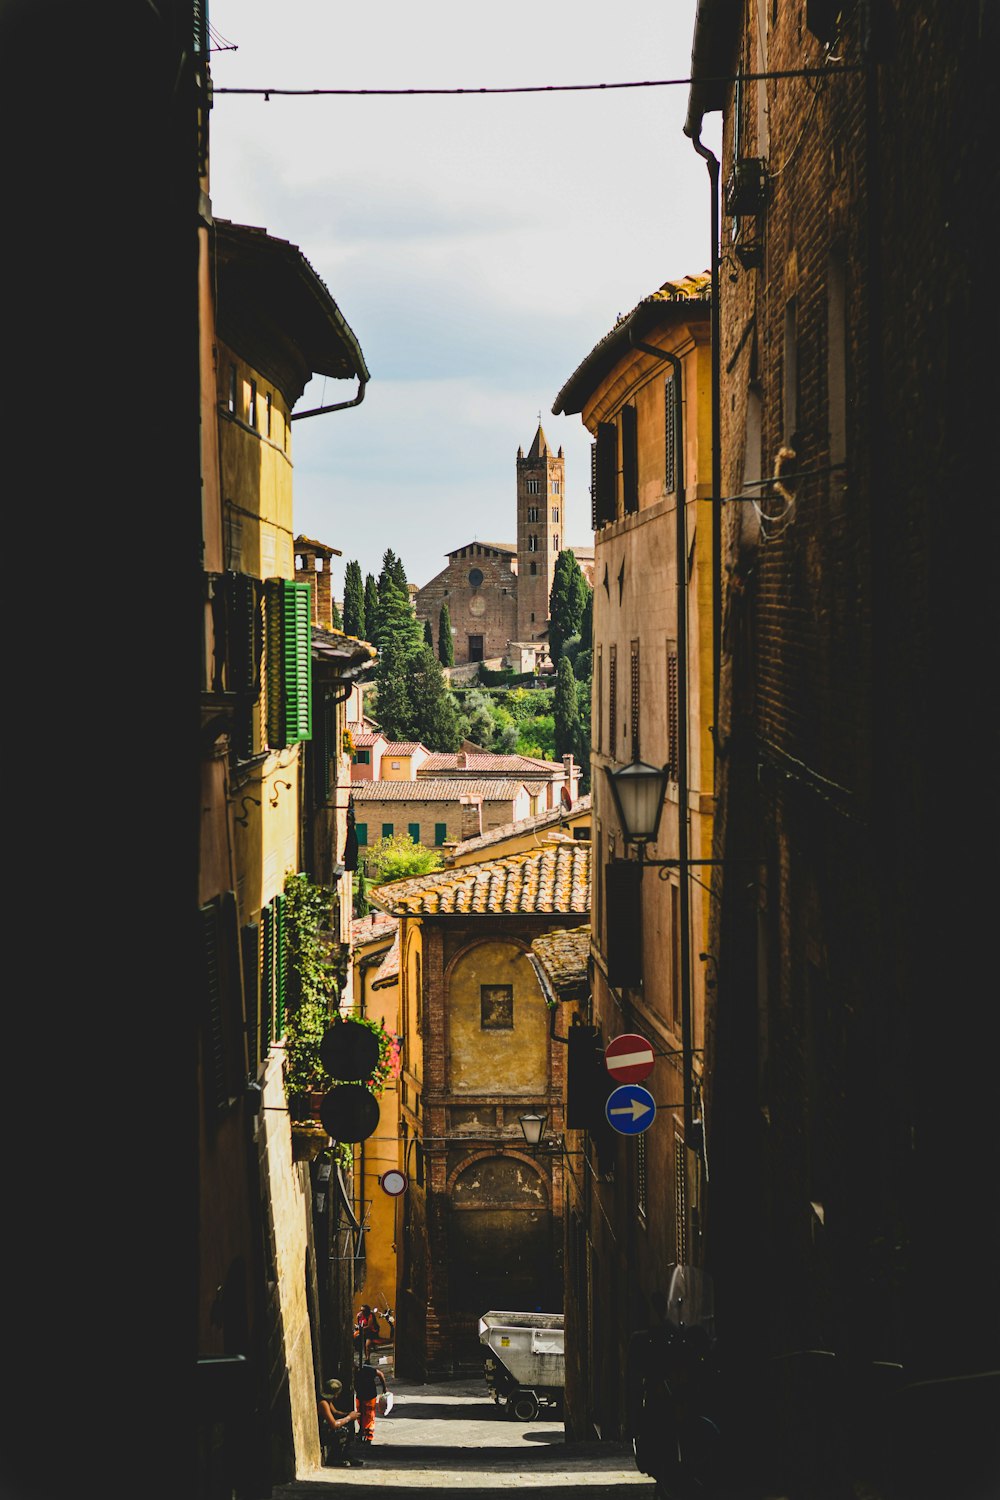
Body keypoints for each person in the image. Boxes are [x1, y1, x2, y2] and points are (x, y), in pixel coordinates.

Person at [318, 1378, 362, 1468]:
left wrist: (349, 1414)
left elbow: (335, 1412)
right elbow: (334, 1425)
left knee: (348, 1426)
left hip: (325, 1428)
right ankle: (333, 1458)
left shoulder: (328, 1402)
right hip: (321, 1432)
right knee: (342, 1431)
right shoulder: (323, 1403)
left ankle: (344, 1455)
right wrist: (349, 1418)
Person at [353, 1357, 388, 1445]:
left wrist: (384, 1387)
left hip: (370, 1395)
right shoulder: (352, 1373)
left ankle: (369, 1435)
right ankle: (362, 1430)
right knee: (360, 1414)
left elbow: (380, 1374)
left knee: (369, 1415)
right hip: (360, 1395)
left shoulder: (367, 1369)